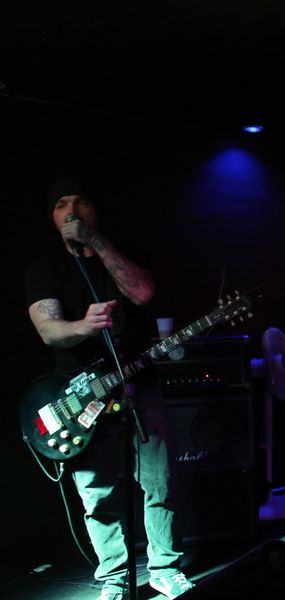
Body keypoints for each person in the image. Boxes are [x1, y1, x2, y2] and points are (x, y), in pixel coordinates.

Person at [24, 177, 195, 600]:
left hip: (139, 386)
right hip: (79, 397)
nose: (71, 210)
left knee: (160, 483)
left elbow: (143, 293)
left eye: (81, 202)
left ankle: (165, 569)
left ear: (96, 211)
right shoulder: (45, 270)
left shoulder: (125, 254)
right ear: (52, 216)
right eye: (61, 204)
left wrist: (95, 242)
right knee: (98, 494)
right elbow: (48, 331)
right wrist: (86, 325)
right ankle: (115, 579)